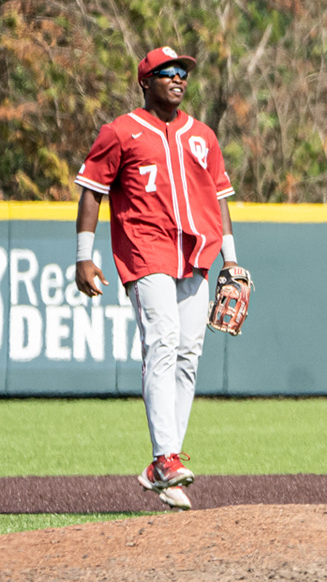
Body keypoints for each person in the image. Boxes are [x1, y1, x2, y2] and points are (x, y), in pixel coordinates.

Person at [73, 47, 238, 511]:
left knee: (189, 353)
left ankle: (166, 466)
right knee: (162, 341)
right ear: (145, 81)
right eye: (167, 72)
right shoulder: (120, 131)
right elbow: (92, 192)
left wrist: (232, 258)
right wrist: (84, 257)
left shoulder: (202, 135)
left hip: (197, 250)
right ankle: (164, 456)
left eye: (183, 72)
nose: (178, 78)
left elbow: (220, 198)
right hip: (145, 249)